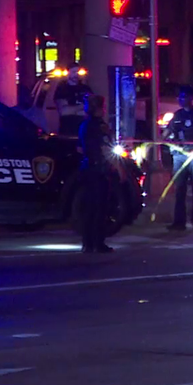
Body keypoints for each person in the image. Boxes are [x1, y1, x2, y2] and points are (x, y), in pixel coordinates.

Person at [164, 85, 193, 230]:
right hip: (179, 156)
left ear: (190, 98)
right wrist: (164, 141)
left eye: (183, 97)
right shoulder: (177, 115)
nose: (180, 100)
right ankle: (179, 222)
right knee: (179, 189)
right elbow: (166, 134)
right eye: (179, 97)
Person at [77, 93, 114, 253]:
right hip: (99, 170)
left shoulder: (85, 125)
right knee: (100, 207)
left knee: (90, 207)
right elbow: (105, 147)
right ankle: (98, 242)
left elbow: (81, 148)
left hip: (88, 168)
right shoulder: (99, 126)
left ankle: (88, 242)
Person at [54, 66, 91, 136]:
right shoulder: (62, 89)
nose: (76, 74)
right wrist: (83, 106)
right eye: (73, 72)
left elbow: (92, 108)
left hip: (84, 131)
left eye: (78, 72)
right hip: (67, 130)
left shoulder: (86, 89)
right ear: (68, 73)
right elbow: (64, 111)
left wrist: (72, 109)